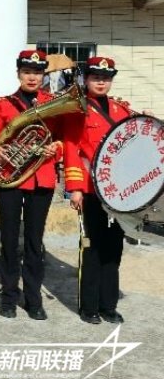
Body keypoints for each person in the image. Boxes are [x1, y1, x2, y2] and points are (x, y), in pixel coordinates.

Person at [0, 50, 63, 320]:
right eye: (27, 72)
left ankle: (34, 299)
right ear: (19, 74)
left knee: (34, 242)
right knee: (8, 239)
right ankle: (8, 297)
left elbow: (65, 139)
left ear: (43, 75)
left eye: (37, 72)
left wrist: (56, 148)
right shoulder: (4, 104)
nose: (32, 77)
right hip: (10, 178)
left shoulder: (55, 104)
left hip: (41, 178)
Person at [64, 57, 133, 325]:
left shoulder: (122, 110)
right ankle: (89, 307)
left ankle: (108, 306)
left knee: (114, 249)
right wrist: (75, 189)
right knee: (91, 249)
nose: (101, 82)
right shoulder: (78, 109)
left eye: (106, 78)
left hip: (118, 194)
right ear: (87, 79)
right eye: (96, 77)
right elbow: (72, 149)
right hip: (91, 191)